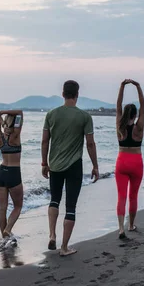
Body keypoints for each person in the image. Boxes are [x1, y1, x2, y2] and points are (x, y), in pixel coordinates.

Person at [41, 80, 99, 256]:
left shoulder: (51, 114)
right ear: (77, 94)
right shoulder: (84, 117)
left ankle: (52, 234)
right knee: (71, 206)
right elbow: (90, 143)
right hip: (74, 166)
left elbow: (45, 141)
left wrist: (44, 163)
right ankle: (64, 248)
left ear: (63, 93)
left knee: (54, 199)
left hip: (55, 165)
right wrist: (95, 166)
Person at [115, 79, 144, 239]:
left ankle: (121, 228)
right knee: (133, 195)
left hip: (121, 161)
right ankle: (131, 225)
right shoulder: (139, 126)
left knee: (121, 196)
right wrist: (138, 86)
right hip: (136, 162)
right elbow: (143, 105)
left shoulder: (119, 126)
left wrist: (122, 86)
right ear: (135, 115)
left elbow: (118, 105)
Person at [0, 110, 24, 246]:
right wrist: (4, 112)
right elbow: (20, 113)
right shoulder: (15, 135)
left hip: (1, 172)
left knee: (3, 208)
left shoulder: (0, 136)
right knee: (18, 206)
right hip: (13, 172)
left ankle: (4, 239)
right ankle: (8, 230)